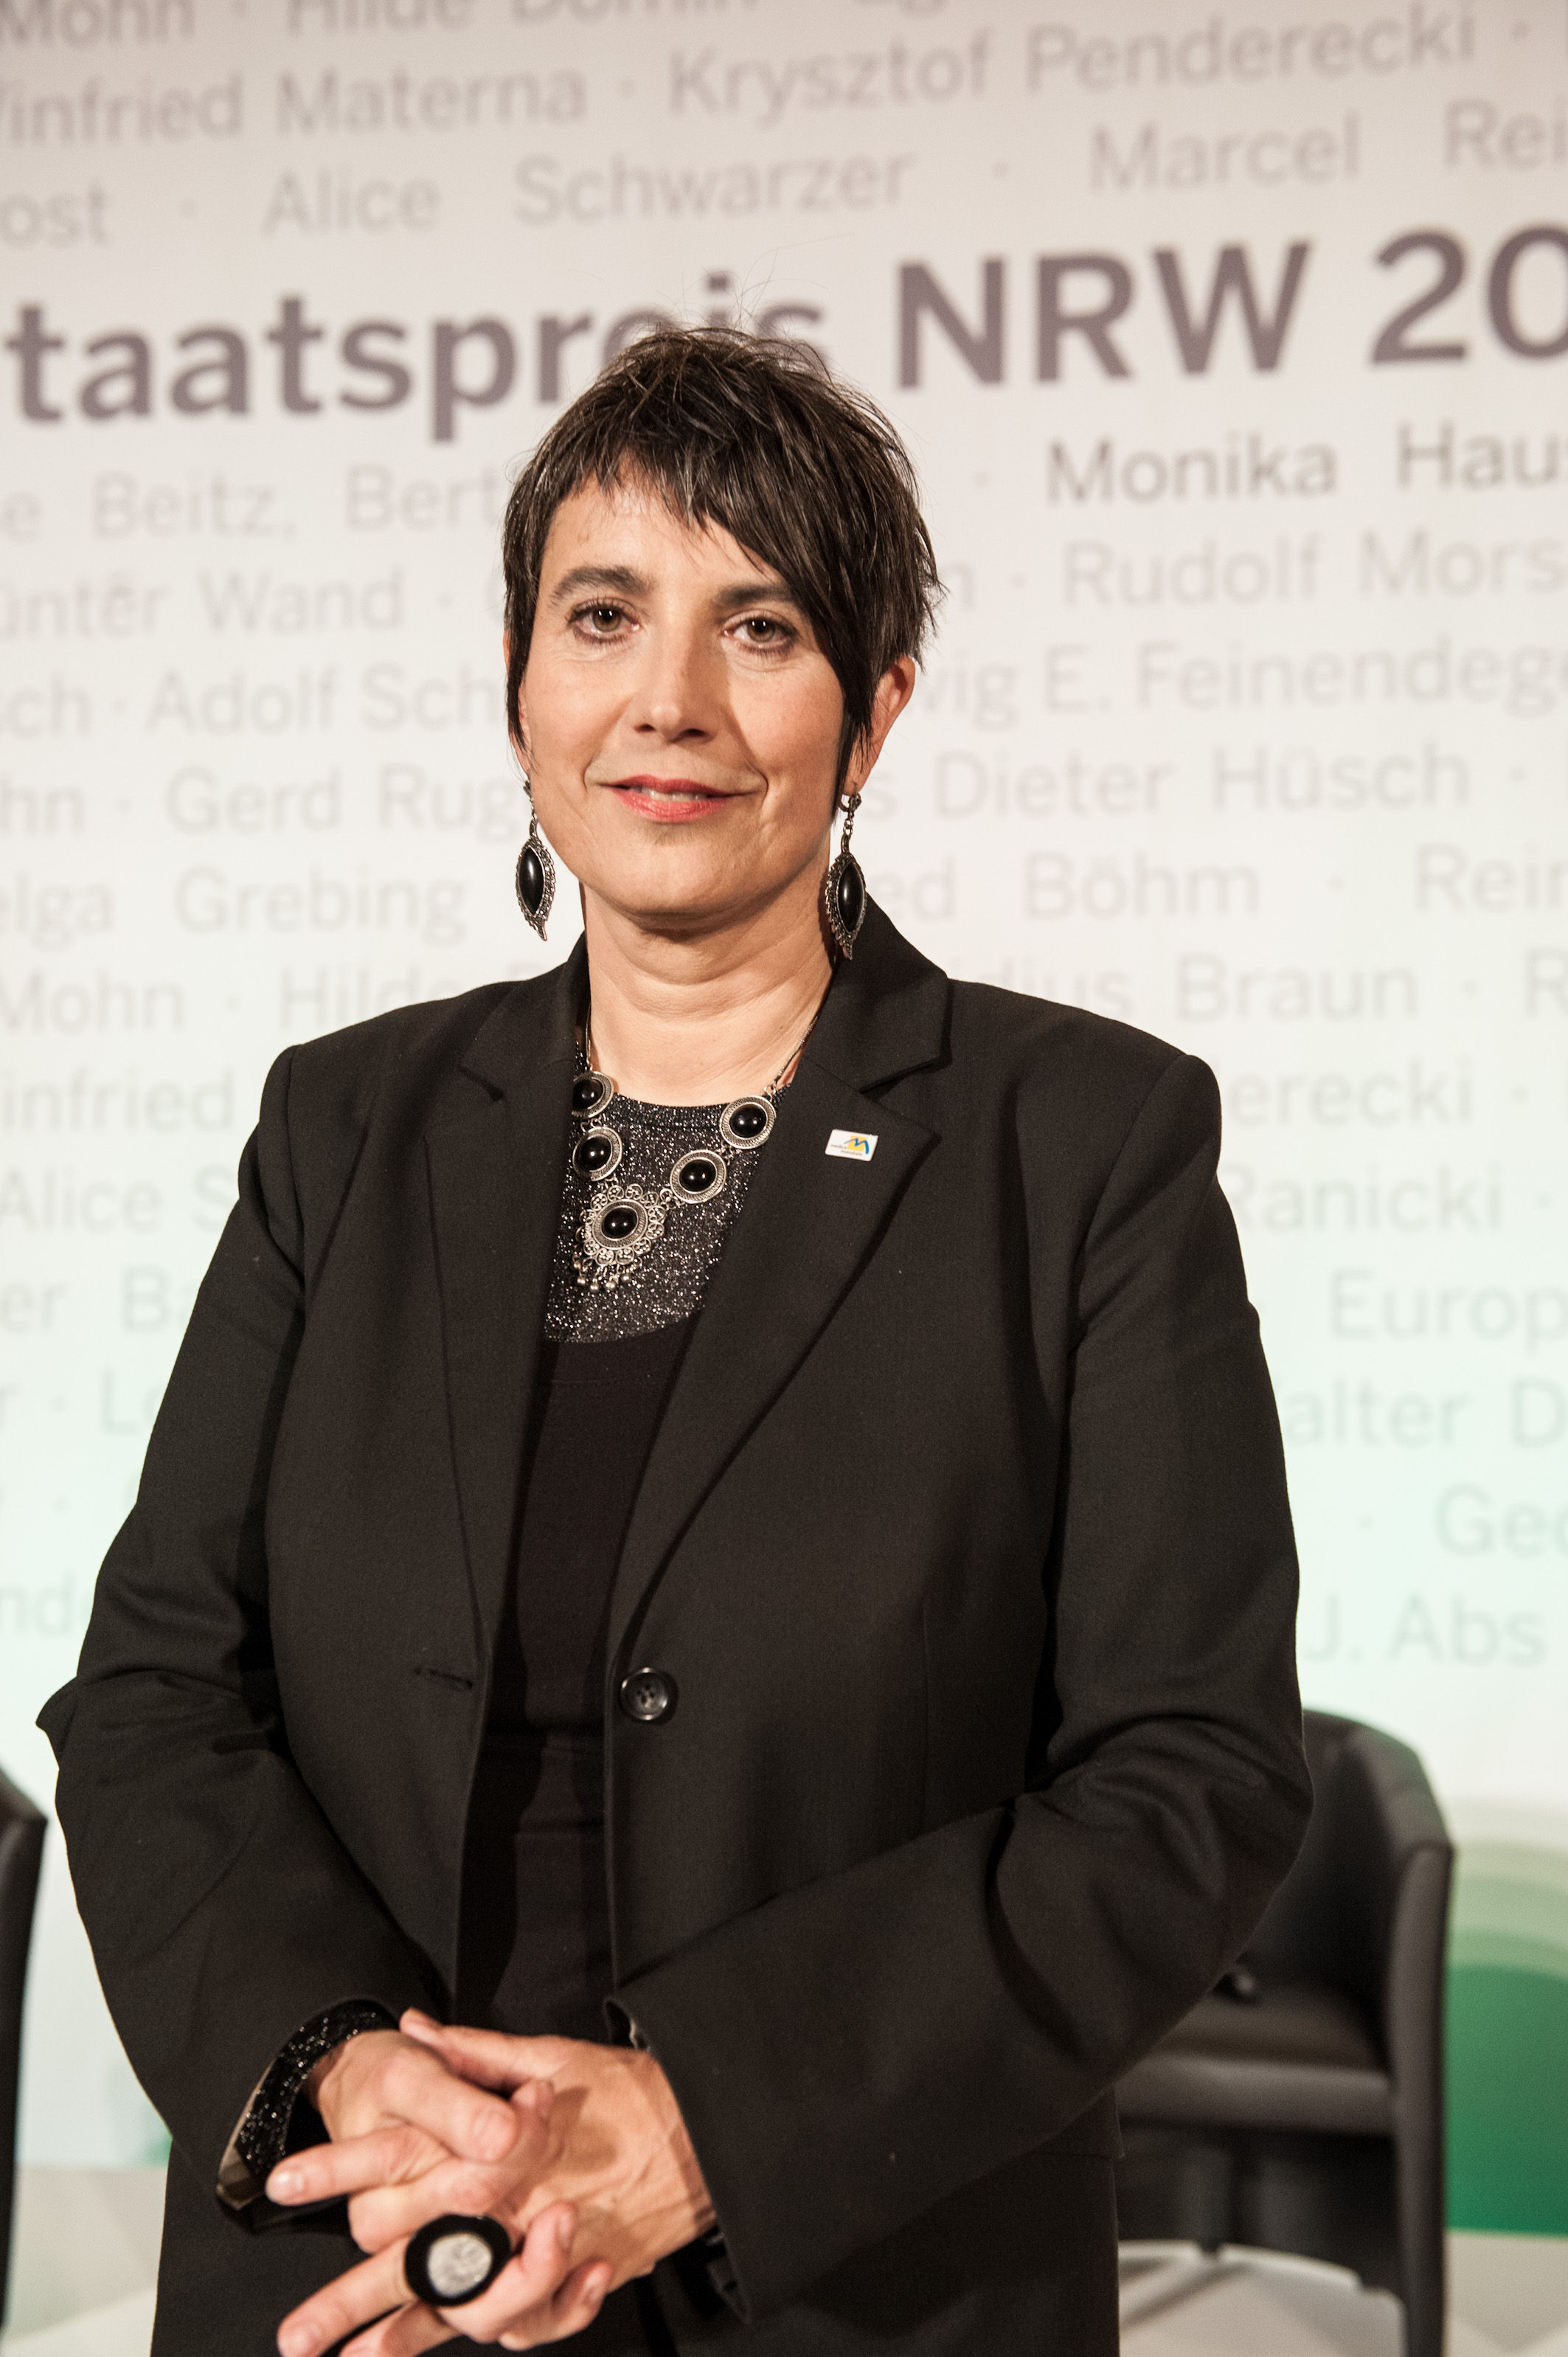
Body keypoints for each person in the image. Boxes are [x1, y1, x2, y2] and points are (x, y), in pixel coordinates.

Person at [41, 328, 1310, 2357]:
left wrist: (709, 2117)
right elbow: (154, 1690)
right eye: (604, 615)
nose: (671, 702)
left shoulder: (1086, 1145)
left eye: (765, 627)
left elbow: (1190, 1776)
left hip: (849, 2270)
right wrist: (348, 2074)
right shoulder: (341, 1127)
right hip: (371, 2261)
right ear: (521, 681)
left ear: (878, 709)